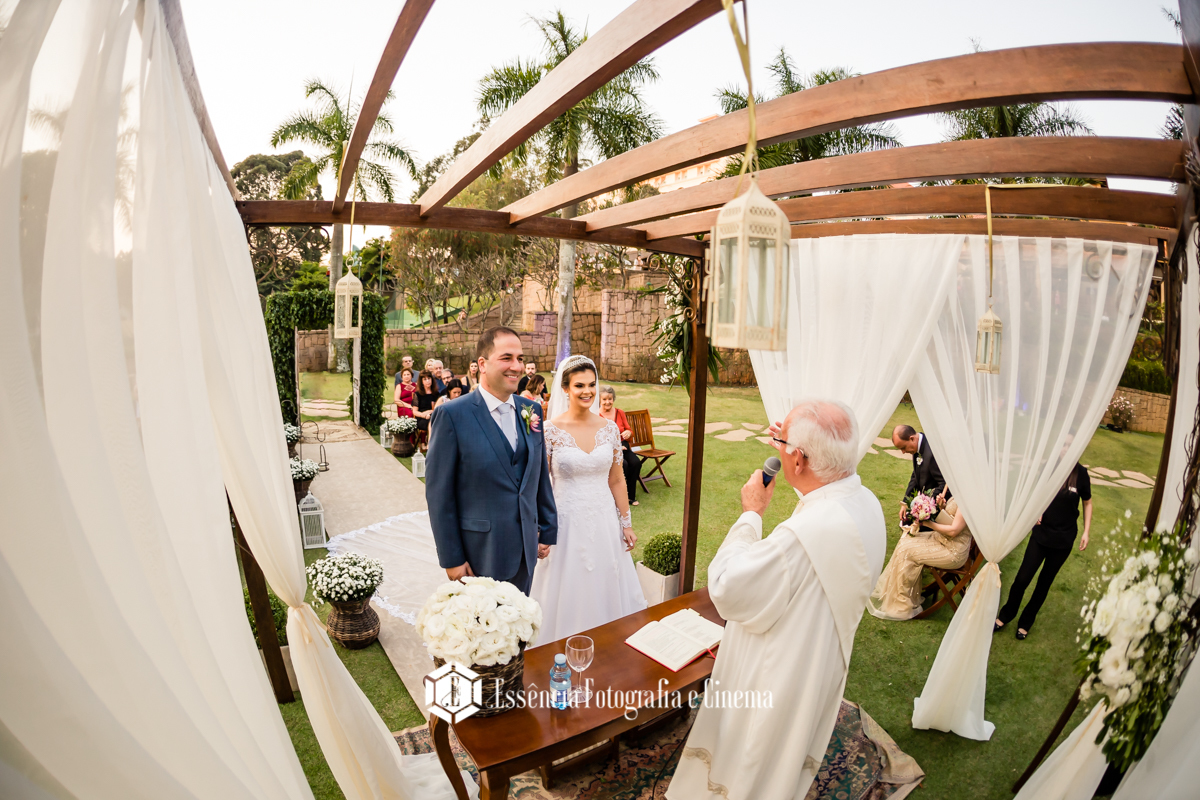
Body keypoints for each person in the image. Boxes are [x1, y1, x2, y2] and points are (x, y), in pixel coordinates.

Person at [667, 400, 885, 800]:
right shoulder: (866, 503)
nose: (779, 448)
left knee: (751, 756)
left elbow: (730, 588)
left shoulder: (804, 536)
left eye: (784, 444)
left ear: (798, 459)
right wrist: (791, 437)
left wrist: (751, 514)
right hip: (818, 659)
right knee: (784, 756)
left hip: (776, 669)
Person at [424, 327, 558, 594]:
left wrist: (546, 527)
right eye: (506, 358)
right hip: (479, 555)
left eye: (520, 358)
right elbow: (439, 494)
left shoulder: (530, 410)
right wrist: (452, 558)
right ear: (482, 365)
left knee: (520, 628)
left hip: (526, 550)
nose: (517, 366)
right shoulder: (452, 415)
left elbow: (538, 473)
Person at [530, 356, 646, 643]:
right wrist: (539, 528)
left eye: (592, 385)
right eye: (579, 385)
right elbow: (540, 486)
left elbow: (617, 479)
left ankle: (609, 642)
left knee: (606, 579)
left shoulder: (610, 429)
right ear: (565, 389)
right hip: (565, 523)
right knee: (569, 587)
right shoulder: (550, 430)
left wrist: (626, 523)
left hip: (604, 521)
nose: (587, 391)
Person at [995, 463, 1092, 639]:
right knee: (1022, 578)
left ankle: (1025, 623)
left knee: (1044, 583)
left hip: (1063, 540)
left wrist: (1086, 531)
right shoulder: (1050, 467)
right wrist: (1037, 510)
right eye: (1065, 445)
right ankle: (1005, 615)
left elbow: (1087, 502)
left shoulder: (1082, 474)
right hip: (1041, 535)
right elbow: (1037, 494)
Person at [868, 488, 973, 620]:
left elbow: (953, 531)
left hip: (952, 551)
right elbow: (954, 516)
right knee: (907, 538)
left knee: (908, 551)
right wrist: (943, 506)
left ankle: (902, 605)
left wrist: (928, 523)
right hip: (941, 539)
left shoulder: (969, 499)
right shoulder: (962, 492)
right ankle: (897, 595)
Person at [893, 424, 947, 528]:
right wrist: (905, 501)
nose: (903, 452)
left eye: (903, 447)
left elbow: (944, 483)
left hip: (937, 507)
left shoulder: (932, 452)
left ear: (912, 438)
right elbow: (915, 476)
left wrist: (925, 505)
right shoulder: (918, 447)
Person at [598, 385, 641, 506]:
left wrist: (629, 432)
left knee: (636, 463)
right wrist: (614, 447)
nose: (607, 402)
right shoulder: (596, 415)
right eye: (604, 399)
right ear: (600, 400)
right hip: (607, 447)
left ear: (613, 399)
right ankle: (619, 495)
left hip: (623, 445)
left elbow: (628, 430)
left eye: (610, 399)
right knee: (624, 465)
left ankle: (630, 496)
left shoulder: (620, 412)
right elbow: (596, 437)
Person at [412, 369, 441, 449]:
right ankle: (430, 444)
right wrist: (424, 415)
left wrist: (430, 412)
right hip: (422, 418)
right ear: (421, 381)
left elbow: (438, 408)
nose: (427, 381)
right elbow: (414, 411)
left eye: (429, 378)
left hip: (434, 416)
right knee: (431, 421)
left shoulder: (436, 394)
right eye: (425, 379)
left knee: (436, 420)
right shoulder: (418, 394)